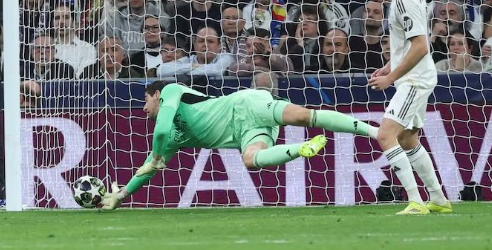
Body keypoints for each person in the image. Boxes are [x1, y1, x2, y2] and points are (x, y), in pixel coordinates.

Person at [100, 79, 379, 210]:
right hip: (245, 133)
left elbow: (160, 132)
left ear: (157, 95)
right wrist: (120, 196)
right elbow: (148, 170)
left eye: (145, 100)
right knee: (251, 159)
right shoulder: (173, 138)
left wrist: (156, 157)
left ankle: (376, 132)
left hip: (245, 105)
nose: (143, 108)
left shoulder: (172, 91)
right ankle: (301, 149)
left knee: (303, 116)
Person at [367, 0, 453, 215]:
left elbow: (421, 46)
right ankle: (438, 199)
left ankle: (415, 201)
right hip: (414, 76)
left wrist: (391, 77)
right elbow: (408, 43)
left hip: (415, 80)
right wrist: (388, 66)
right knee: (407, 139)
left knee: (385, 135)